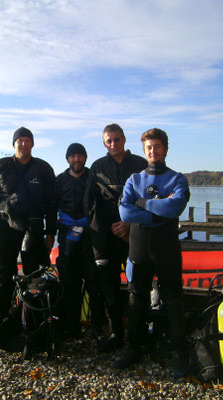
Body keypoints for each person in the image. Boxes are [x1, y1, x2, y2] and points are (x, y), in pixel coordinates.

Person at [116, 127, 190, 376]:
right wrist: (159, 207)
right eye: (148, 147)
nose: (153, 151)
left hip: (166, 247)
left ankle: (179, 351)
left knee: (173, 298)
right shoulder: (134, 180)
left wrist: (143, 203)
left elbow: (174, 207)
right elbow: (125, 213)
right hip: (140, 246)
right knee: (136, 296)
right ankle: (134, 347)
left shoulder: (177, 179)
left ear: (165, 149)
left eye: (157, 146)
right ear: (144, 150)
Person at [84, 123, 148, 351]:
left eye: (117, 139)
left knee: (137, 285)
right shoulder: (97, 166)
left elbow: (148, 200)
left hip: (134, 235)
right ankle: (116, 333)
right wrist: (103, 231)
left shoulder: (140, 165)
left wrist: (129, 225)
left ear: (124, 140)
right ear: (104, 143)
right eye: (109, 141)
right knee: (109, 287)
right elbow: (90, 204)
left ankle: (137, 336)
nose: (113, 144)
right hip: (106, 237)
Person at [0, 127, 56, 320]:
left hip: (34, 227)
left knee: (33, 271)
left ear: (32, 143)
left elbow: (51, 202)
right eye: (20, 140)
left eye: (27, 140)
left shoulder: (43, 168)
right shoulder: (0, 166)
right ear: (14, 143)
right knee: (4, 271)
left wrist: (51, 233)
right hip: (5, 227)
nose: (23, 144)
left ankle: (31, 316)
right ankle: (1, 315)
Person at [54, 143, 105, 339]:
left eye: (80, 156)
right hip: (67, 236)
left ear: (85, 158)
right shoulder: (59, 181)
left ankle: (97, 326)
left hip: (91, 235)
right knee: (69, 283)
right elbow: (51, 207)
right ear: (68, 159)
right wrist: (50, 233)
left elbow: (103, 204)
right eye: (72, 156)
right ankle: (71, 325)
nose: (76, 159)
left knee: (94, 282)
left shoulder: (94, 178)